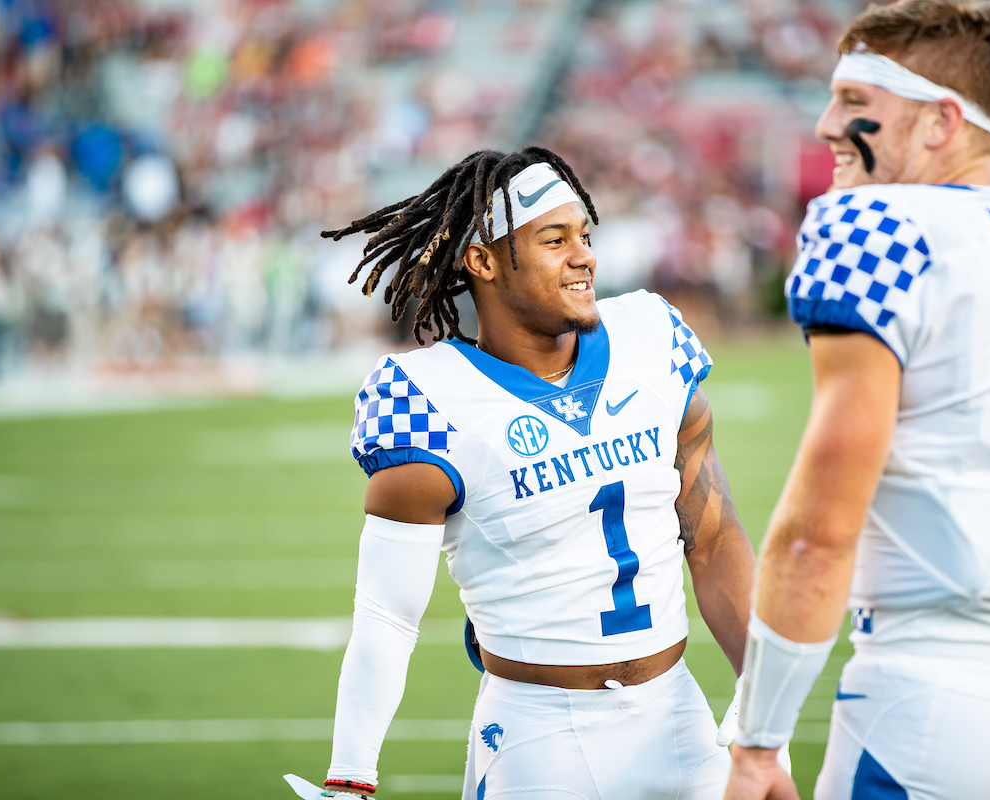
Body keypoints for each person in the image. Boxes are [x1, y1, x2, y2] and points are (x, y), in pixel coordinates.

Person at [722, 2, 990, 799]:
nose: (824, 125)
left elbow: (818, 535)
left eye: (856, 104)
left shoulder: (877, 228)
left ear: (941, 122)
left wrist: (757, 741)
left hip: (934, 709)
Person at [303, 147, 759, 799]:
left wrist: (763, 704)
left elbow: (713, 539)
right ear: (483, 261)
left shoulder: (651, 338)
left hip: (678, 721)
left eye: (585, 236)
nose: (585, 256)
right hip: (541, 740)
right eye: (554, 239)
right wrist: (351, 776)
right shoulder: (427, 399)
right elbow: (387, 616)